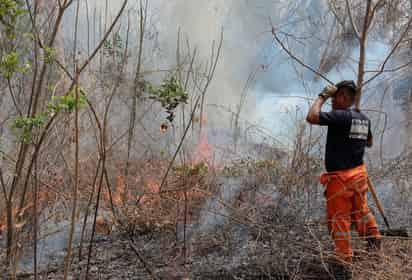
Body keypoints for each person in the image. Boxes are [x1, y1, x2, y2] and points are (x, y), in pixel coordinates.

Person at [306, 80, 381, 280]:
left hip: (341, 180)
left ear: (345, 97)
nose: (332, 101)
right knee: (361, 211)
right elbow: (370, 142)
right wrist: (352, 142)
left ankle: (343, 263)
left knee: (339, 220)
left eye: (335, 96)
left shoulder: (341, 116)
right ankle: (374, 242)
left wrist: (322, 95)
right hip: (358, 175)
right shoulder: (363, 118)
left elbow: (311, 116)